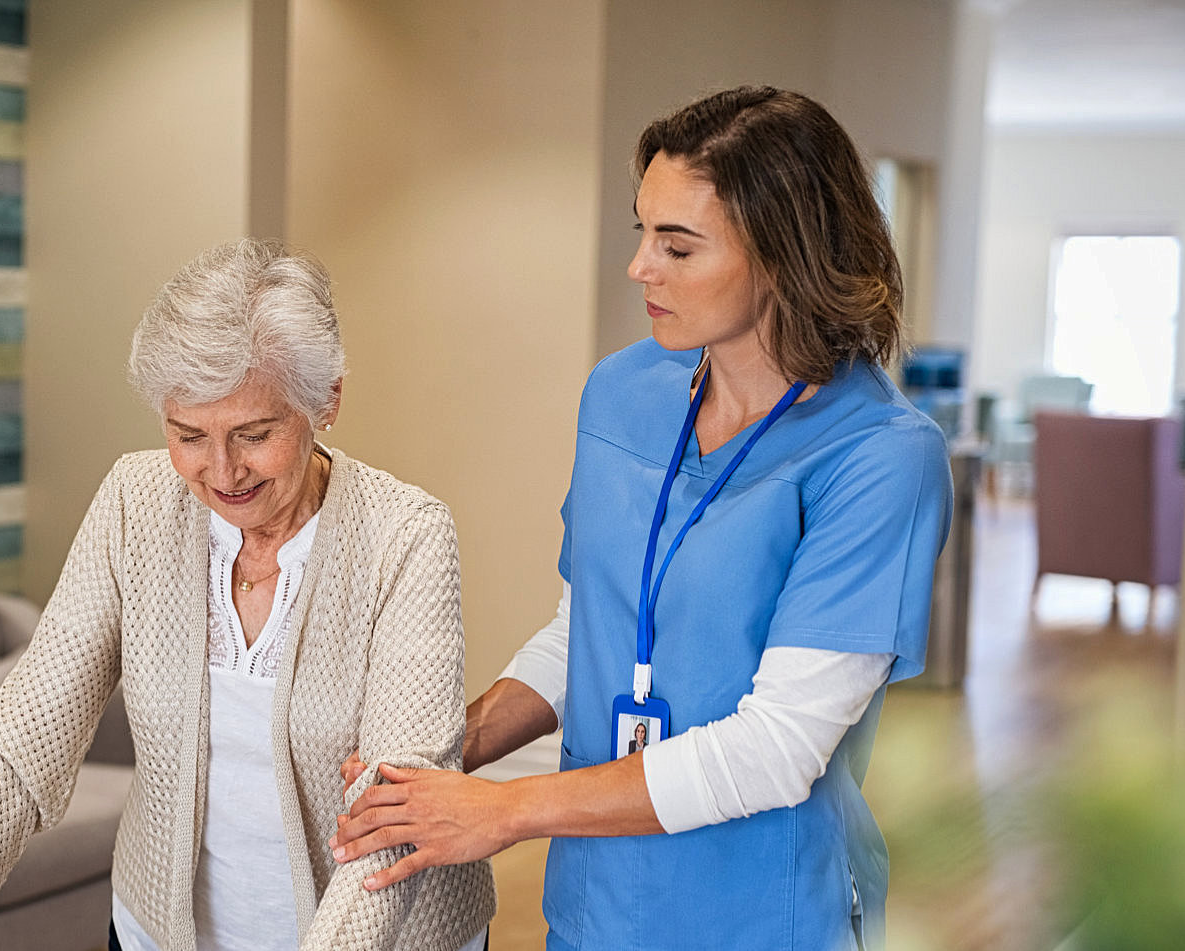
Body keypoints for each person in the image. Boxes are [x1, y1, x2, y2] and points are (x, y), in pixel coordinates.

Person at [329, 85, 952, 951]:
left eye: (678, 245)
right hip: (597, 899)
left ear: (782, 256)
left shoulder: (881, 456)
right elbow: (587, 627)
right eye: (642, 231)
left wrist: (503, 811)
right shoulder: (622, 392)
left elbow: (778, 747)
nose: (640, 267)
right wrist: (447, 753)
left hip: (761, 911)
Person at [0, 239, 493, 951]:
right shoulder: (135, 504)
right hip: (160, 932)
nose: (221, 471)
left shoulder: (406, 535)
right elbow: (27, 736)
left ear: (327, 401)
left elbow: (394, 815)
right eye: (188, 433)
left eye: (253, 434)